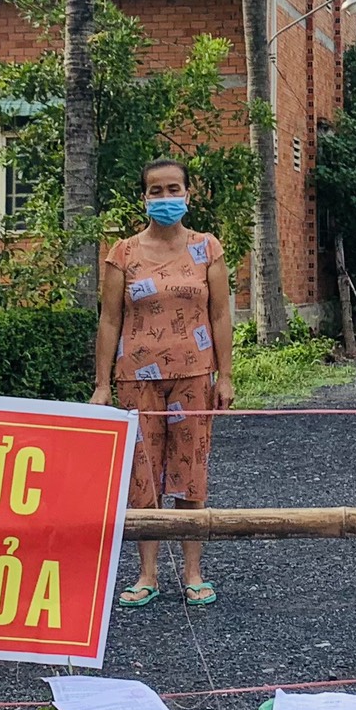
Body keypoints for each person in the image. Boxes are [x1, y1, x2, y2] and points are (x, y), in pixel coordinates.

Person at [91, 158, 235, 606]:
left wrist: (225, 375)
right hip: (137, 377)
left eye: (175, 189)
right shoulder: (123, 253)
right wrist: (100, 384)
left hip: (194, 373)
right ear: (144, 198)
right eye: (157, 191)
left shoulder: (207, 249)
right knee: (142, 474)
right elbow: (110, 320)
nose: (166, 198)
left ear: (188, 194)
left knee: (190, 474)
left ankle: (193, 573)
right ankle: (146, 574)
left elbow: (220, 313)